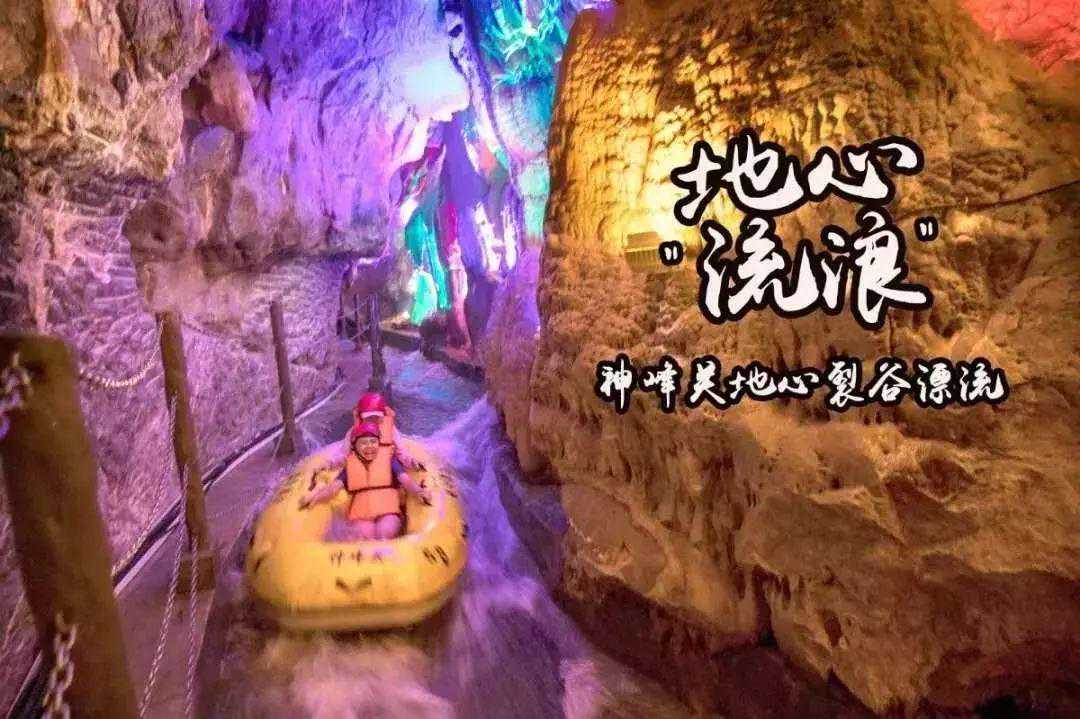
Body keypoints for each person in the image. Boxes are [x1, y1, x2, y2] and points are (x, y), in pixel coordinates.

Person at [299, 419, 431, 541]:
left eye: (373, 442)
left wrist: (419, 491)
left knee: (385, 531)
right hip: (362, 515)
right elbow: (334, 487)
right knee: (364, 534)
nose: (369, 446)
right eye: (364, 443)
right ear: (355, 447)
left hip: (388, 512)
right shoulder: (351, 466)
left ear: (379, 443)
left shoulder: (390, 461)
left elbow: (405, 480)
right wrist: (315, 497)